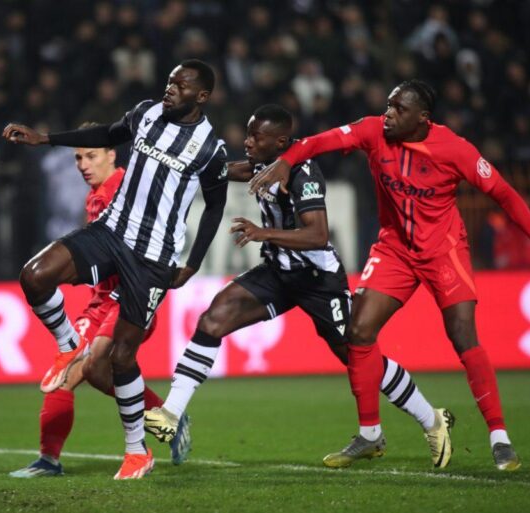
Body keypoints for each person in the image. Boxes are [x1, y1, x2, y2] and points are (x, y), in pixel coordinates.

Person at [248, 80, 530, 471]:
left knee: (462, 336)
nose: (388, 114)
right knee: (358, 331)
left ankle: (500, 437)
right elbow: (317, 142)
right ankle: (370, 434)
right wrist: (287, 159)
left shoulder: (455, 149)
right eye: (388, 105)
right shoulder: (373, 131)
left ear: (423, 118)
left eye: (398, 109)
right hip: (395, 250)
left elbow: (504, 193)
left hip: (444, 251)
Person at [145, 104, 455, 469]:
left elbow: (318, 234)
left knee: (356, 356)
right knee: (213, 318)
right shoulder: (265, 161)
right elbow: (240, 170)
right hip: (278, 272)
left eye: (255, 137)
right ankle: (171, 412)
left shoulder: (303, 172)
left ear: (280, 142)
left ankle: (430, 419)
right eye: (247, 134)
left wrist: (264, 233)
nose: (246, 142)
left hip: (318, 280)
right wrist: (197, 169)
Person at [2, 59, 228, 479]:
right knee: (35, 275)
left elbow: (215, 206)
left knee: (120, 359)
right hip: (112, 233)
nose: (170, 89)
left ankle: (136, 451)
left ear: (202, 96)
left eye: (180, 85)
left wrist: (192, 263)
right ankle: (67, 345)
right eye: (169, 81)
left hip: (153, 257)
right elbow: (108, 132)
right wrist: (45, 138)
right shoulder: (147, 112)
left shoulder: (211, 148)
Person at [9, 128, 191, 478]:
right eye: (78, 157)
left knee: (94, 366)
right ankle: (49, 459)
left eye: (91, 156)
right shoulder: (94, 196)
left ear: (112, 155)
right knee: (63, 377)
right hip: (100, 301)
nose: (82, 164)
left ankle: (149, 438)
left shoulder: (127, 190)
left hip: (131, 294)